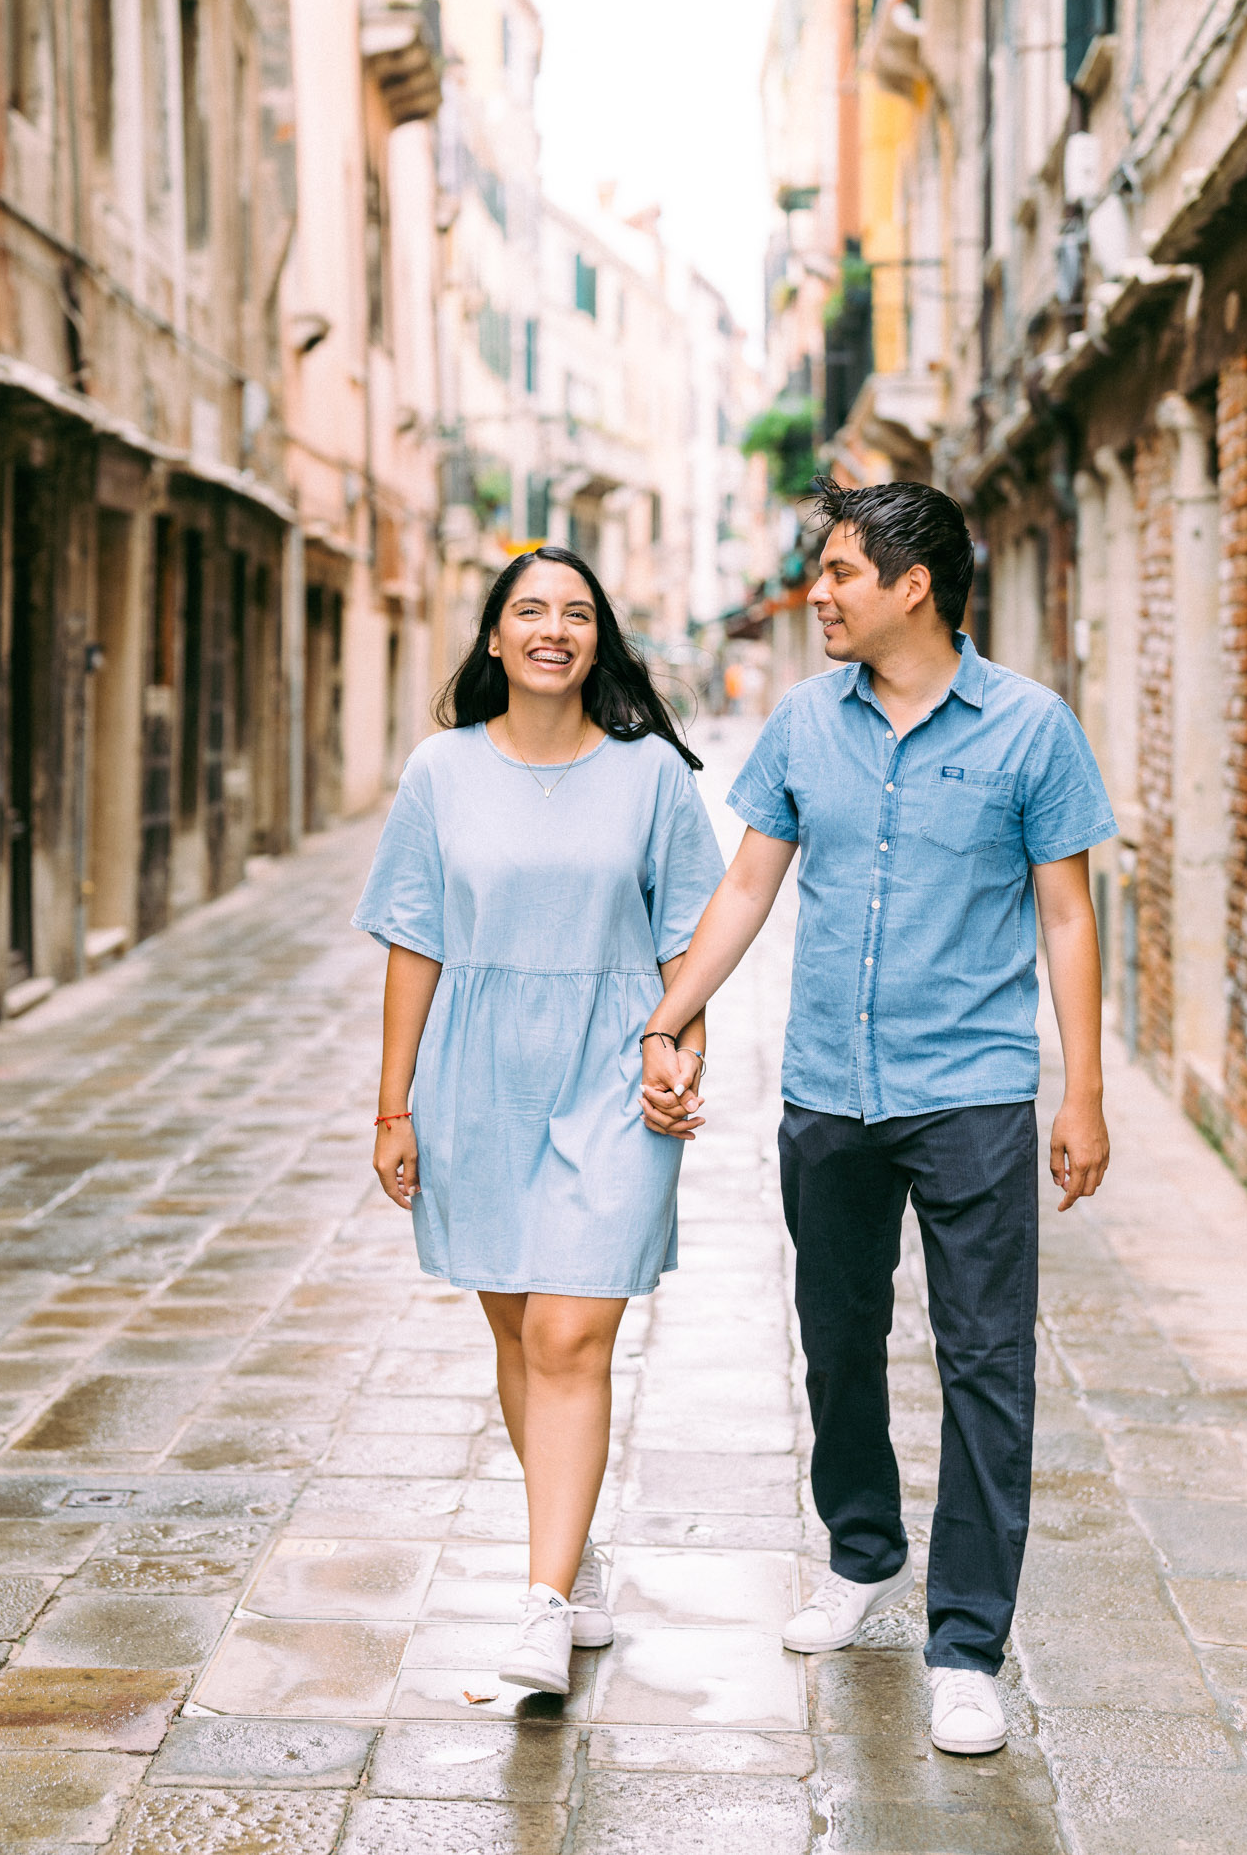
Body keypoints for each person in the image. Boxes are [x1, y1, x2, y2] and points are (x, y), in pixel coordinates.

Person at [639, 479, 1115, 1758]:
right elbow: (747, 888)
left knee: (985, 1363)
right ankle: (861, 1555)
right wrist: (672, 1014)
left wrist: (1084, 1090)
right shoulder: (804, 723)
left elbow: (1067, 914)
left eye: (841, 571)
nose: (818, 592)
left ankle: (966, 1642)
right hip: (829, 1094)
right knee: (836, 1340)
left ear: (916, 585)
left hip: (969, 1089)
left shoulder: (1030, 728)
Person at [354, 546, 724, 1697]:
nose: (554, 629)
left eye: (576, 613)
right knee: (517, 1338)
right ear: (496, 640)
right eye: (531, 612)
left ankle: (539, 1606)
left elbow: (690, 950)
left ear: (600, 640)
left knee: (571, 1338)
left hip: (615, 1073)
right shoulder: (440, 771)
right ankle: (574, 1557)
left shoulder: (655, 776)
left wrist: (682, 1051)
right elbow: (415, 941)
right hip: (478, 1080)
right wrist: (392, 1107)